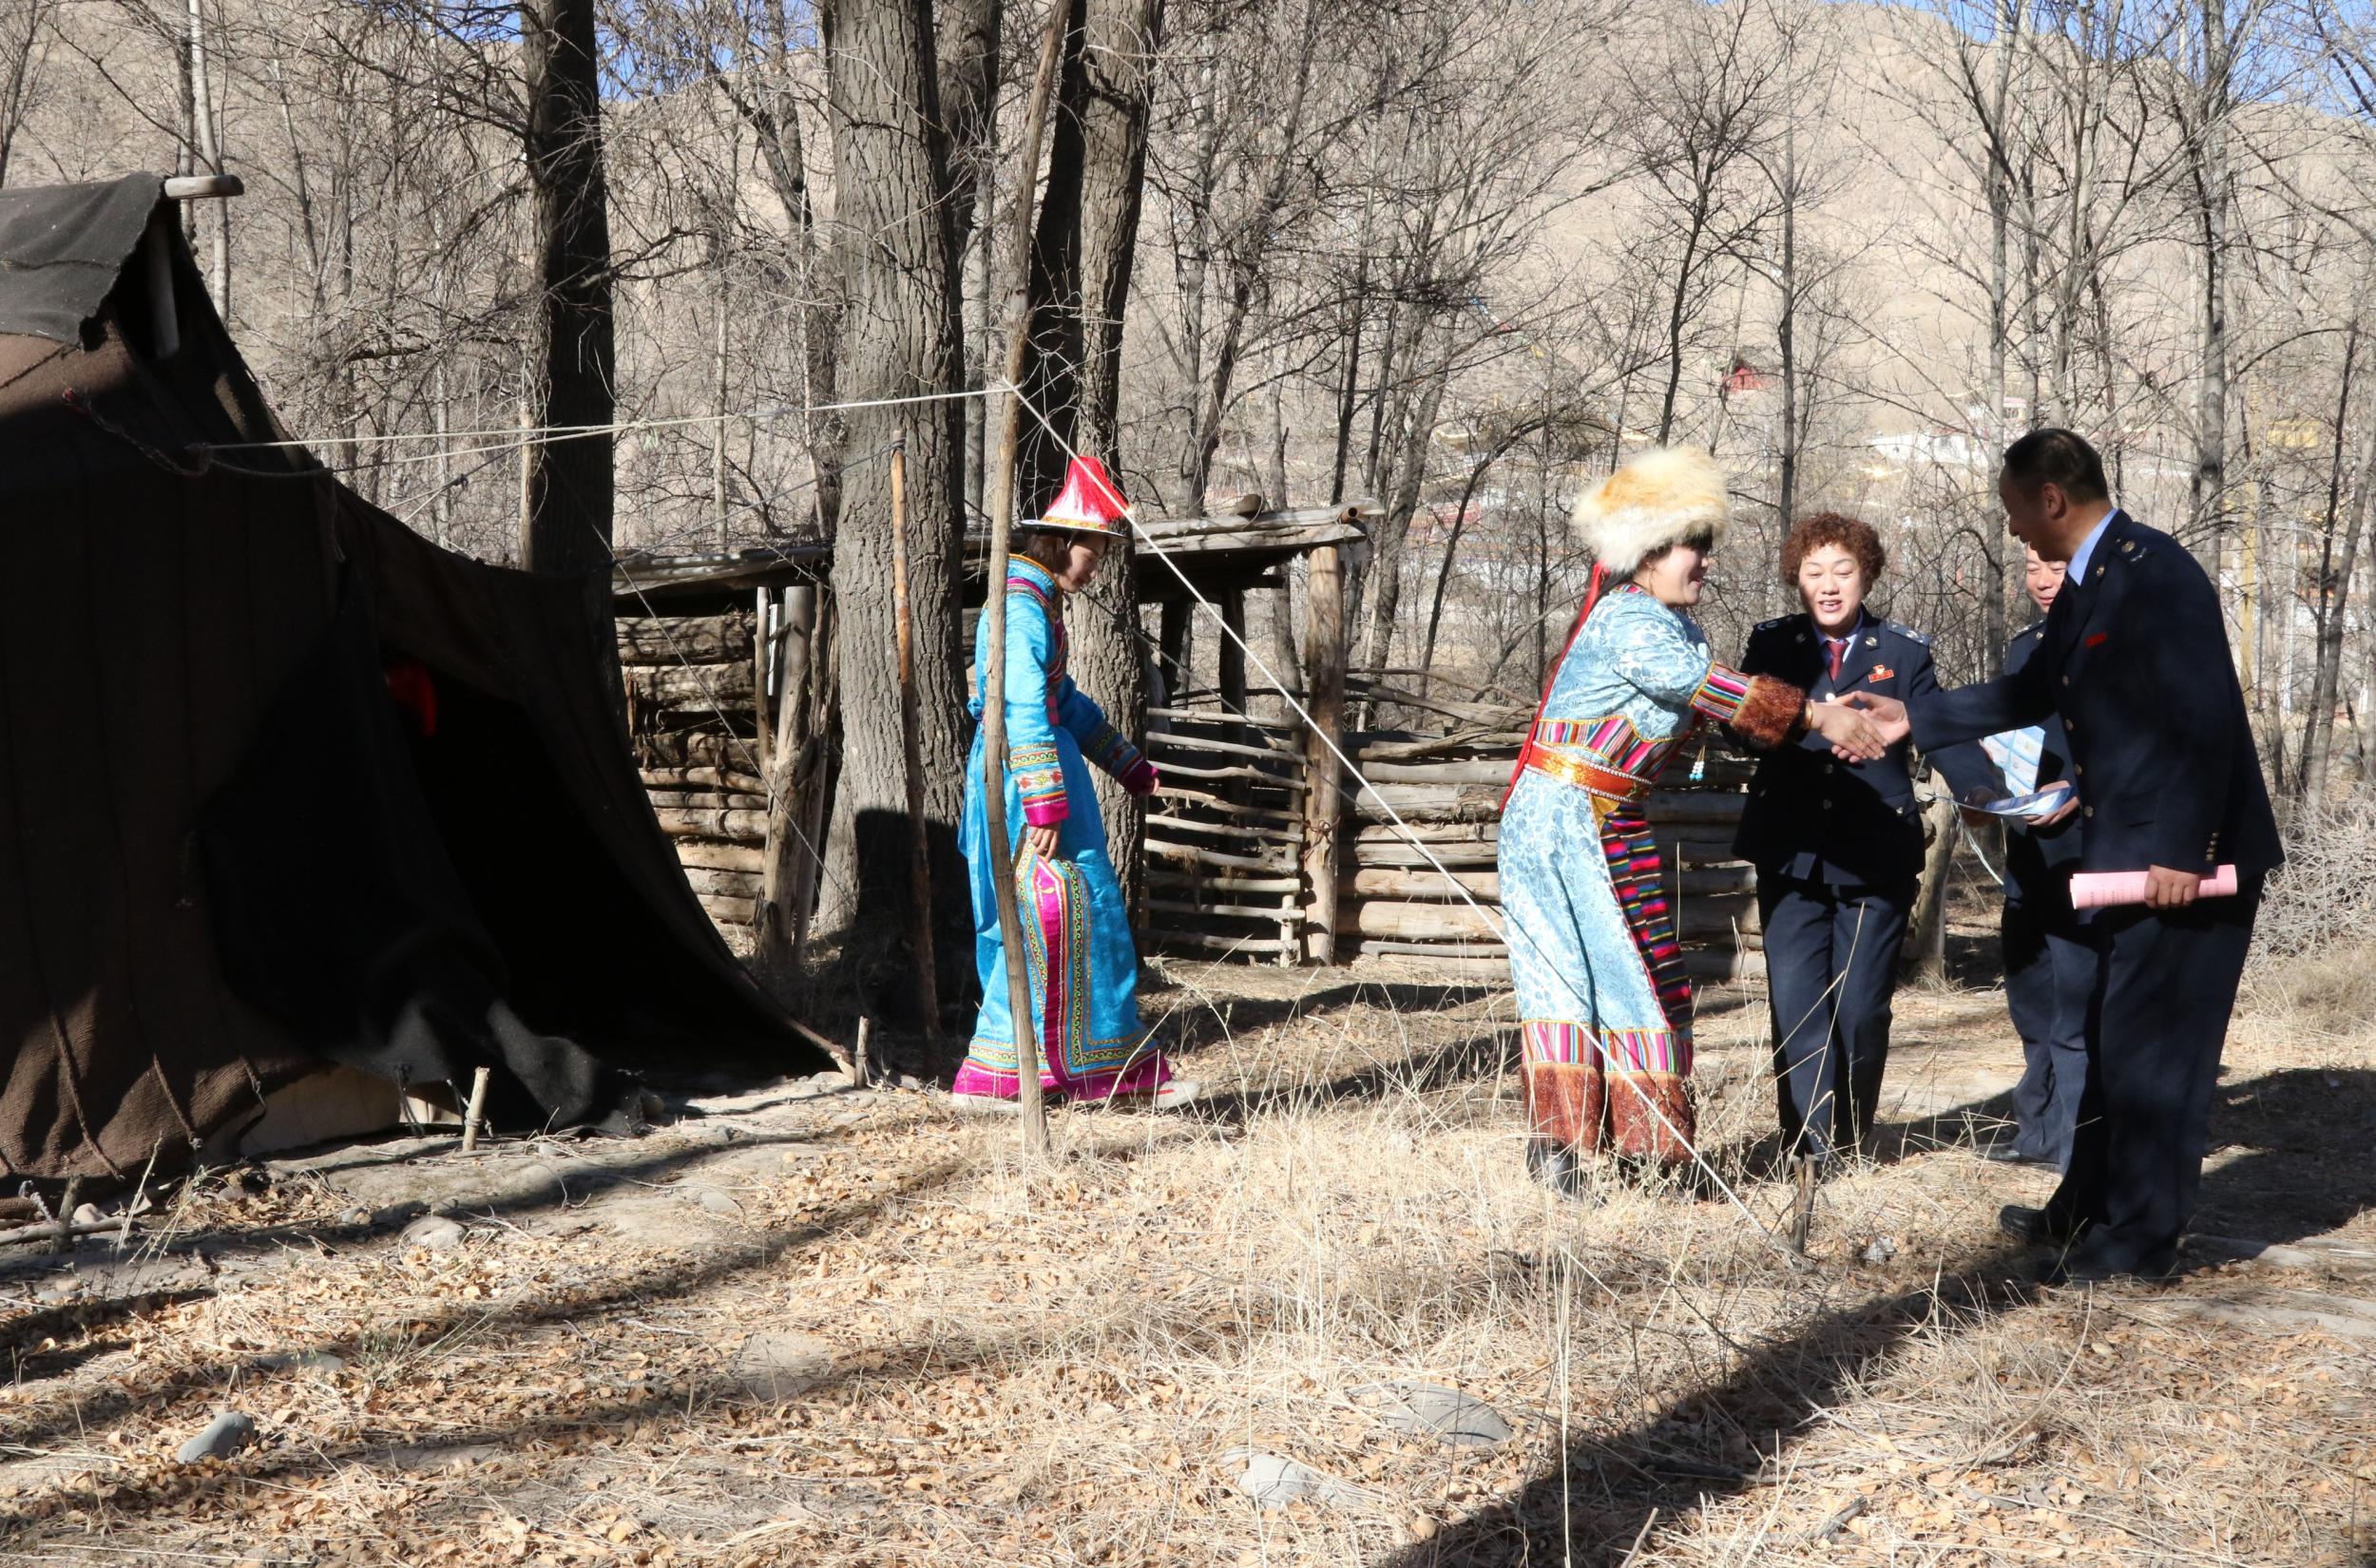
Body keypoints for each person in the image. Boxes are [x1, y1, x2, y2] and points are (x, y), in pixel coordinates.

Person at [1845, 430, 2282, 1284]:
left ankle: (2142, 1242)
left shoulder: (2154, 571)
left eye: (2014, 509)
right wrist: (1912, 720)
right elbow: (2028, 689)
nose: (2012, 530)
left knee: (2161, 1053)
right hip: (2134, 854)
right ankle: (2084, 1207)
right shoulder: (2090, 582)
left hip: (2184, 861)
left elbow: (2203, 721)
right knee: (2113, 1036)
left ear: (2051, 497)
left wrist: (2181, 852)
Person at [1498, 447, 1885, 1195]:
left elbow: (1705, 686)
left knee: (1634, 971)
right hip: (1561, 820)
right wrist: (1815, 714)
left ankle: (1630, 1151)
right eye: (1689, 547)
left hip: (1605, 818)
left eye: (1704, 546)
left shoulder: (1677, 626)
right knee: (1583, 975)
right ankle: (1575, 1150)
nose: (1703, 562)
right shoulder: (1631, 620)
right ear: (1646, 555)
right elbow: (1696, 686)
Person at [1734, 513, 1996, 1173]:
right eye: (1814, 572)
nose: (1828, 586)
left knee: (1860, 1008)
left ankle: (1849, 1140)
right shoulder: (1772, 644)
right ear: (1796, 577)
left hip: (1876, 851)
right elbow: (1740, 727)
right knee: (1796, 1002)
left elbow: (1938, 727)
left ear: (1866, 575)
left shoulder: (1903, 651)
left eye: (1842, 571)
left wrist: (1981, 790)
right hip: (1791, 850)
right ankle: (1808, 1150)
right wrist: (1794, 723)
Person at [955, 456, 1194, 1110]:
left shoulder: (1038, 603)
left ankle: (1084, 1071)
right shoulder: (1021, 608)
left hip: (1039, 779)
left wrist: (1127, 765)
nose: (1099, 565)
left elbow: (1063, 699)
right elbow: (1024, 706)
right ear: (1063, 542)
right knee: (1050, 915)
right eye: (1097, 550)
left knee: (1075, 918)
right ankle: (1039, 1075)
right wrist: (1044, 804)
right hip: (1023, 785)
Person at [1968, 547, 2088, 1170]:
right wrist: (1988, 784)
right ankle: (2036, 1132)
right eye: (2031, 568)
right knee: (2030, 999)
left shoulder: (2112, 642)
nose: (2042, 581)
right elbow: (2013, 738)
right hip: (2029, 854)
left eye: (2057, 567)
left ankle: (2078, 1143)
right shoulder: (2023, 648)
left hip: (2090, 856)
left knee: (2077, 1009)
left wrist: (2077, 793)